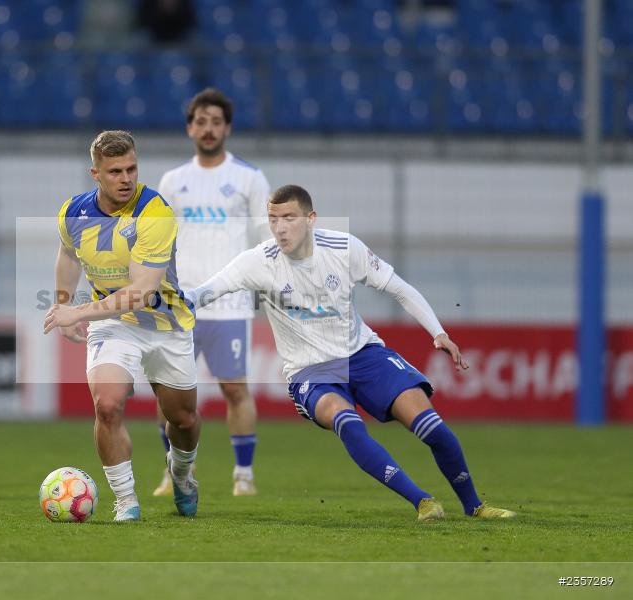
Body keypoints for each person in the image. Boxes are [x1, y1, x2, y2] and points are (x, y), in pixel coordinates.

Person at [187, 184, 516, 521]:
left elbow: (400, 289)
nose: (280, 227)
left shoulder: (344, 248)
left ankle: (475, 505)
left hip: (362, 354)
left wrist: (439, 333)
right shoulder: (258, 261)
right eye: (273, 219)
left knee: (432, 427)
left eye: (289, 217)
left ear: (311, 219)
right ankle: (422, 501)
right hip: (309, 372)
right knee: (349, 423)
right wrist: (168, 298)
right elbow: (204, 292)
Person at [44, 130, 201, 521]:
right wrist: (63, 302)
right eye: (115, 171)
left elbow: (142, 292)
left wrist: (76, 313)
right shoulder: (72, 213)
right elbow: (68, 255)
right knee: (108, 405)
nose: (126, 178)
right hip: (113, 324)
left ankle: (181, 474)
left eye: (131, 168)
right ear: (95, 173)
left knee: (182, 420)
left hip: (165, 322)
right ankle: (126, 500)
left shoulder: (155, 212)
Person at [154, 88, 270, 497]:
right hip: (178, 303)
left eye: (216, 121)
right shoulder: (172, 181)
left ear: (228, 128)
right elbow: (157, 240)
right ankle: (175, 472)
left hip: (229, 303)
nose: (208, 128)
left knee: (234, 389)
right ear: (190, 128)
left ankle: (244, 475)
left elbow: (266, 239)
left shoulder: (249, 178)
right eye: (201, 121)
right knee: (169, 394)